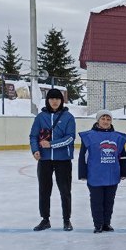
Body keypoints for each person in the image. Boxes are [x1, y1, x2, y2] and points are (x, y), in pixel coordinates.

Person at [29, 88, 76, 231]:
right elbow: (33, 136)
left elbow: (70, 138)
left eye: (57, 99)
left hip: (63, 160)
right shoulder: (40, 117)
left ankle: (67, 220)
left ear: (61, 101)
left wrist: (52, 144)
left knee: (65, 190)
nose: (54, 101)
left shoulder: (68, 117)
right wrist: (35, 150)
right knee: (44, 190)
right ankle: (45, 219)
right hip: (44, 160)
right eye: (52, 99)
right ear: (47, 100)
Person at [78, 110, 126, 232]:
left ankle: (106, 223)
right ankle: (98, 224)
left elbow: (122, 156)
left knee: (109, 201)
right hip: (95, 174)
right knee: (96, 201)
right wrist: (82, 173)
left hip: (112, 174)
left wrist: (123, 172)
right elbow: (83, 156)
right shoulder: (89, 136)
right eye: (103, 118)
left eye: (108, 119)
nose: (105, 121)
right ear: (98, 120)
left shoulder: (118, 137)